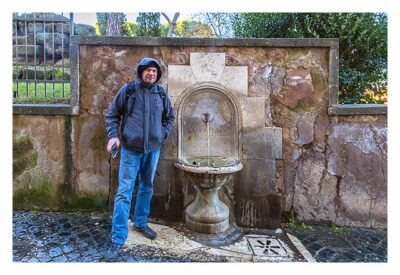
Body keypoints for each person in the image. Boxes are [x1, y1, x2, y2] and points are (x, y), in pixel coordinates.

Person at [103, 57, 175, 261]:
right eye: (148, 70)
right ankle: (118, 238)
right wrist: (113, 136)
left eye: (154, 71)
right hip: (130, 151)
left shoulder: (161, 94)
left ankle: (141, 222)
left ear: (157, 75)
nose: (151, 73)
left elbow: (169, 118)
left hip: (152, 150)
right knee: (124, 192)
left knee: (146, 187)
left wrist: (162, 134)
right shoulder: (129, 90)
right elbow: (112, 115)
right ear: (141, 72)